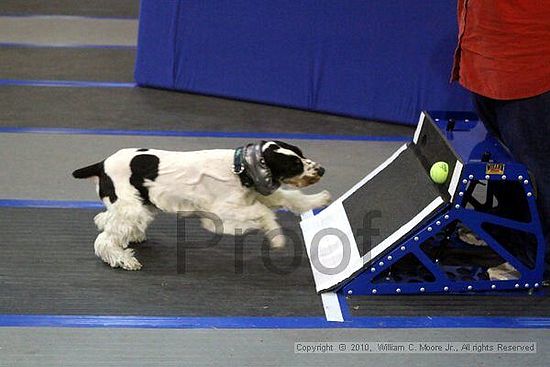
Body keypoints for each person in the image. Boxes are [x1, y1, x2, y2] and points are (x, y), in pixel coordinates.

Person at [451, 0, 550, 281]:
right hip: (486, 53)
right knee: (507, 158)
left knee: (540, 168)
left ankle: (541, 261)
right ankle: (511, 235)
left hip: (531, 62)